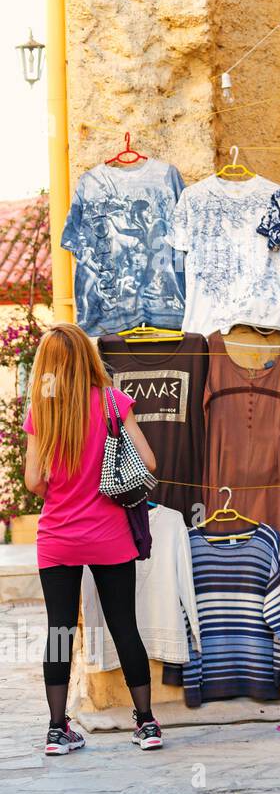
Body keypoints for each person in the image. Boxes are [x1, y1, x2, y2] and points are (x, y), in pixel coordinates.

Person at [23, 323, 162, 755]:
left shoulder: (41, 414)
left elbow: (32, 481)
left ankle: (55, 730)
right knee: (124, 625)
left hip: (58, 539)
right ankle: (147, 724)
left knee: (60, 630)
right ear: (88, 357)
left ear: (46, 366)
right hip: (109, 536)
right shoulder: (113, 403)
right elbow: (150, 462)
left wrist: (62, 489)